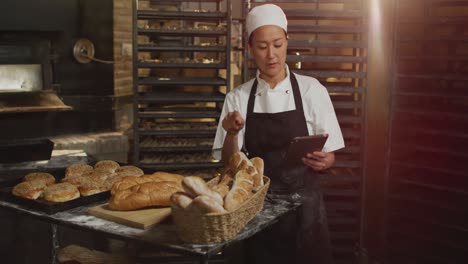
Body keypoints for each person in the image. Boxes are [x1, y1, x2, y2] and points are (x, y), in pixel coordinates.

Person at [212, 3, 345, 264]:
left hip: (304, 210)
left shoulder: (312, 90)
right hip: (256, 210)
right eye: (262, 47)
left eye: (277, 44)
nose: (271, 54)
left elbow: (330, 156)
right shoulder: (237, 98)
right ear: (250, 49)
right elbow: (229, 164)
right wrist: (231, 133)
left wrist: (326, 161)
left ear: (287, 41)